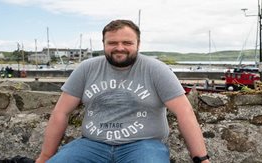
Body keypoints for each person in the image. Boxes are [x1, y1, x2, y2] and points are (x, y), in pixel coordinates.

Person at [36, 19, 210, 163]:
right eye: (112, 42)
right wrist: (45, 156)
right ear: (104, 44)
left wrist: (202, 159)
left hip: (143, 145)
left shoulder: (156, 70)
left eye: (127, 42)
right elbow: (61, 112)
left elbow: (184, 112)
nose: (120, 48)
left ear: (138, 44)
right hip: (91, 145)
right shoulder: (86, 69)